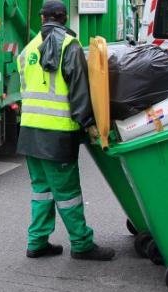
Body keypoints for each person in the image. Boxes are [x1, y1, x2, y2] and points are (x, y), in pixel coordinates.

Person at [16, 1, 114, 261]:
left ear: (42, 18)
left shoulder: (28, 49)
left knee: (41, 191)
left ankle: (37, 242)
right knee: (68, 194)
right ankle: (82, 244)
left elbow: (26, 88)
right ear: (64, 19)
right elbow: (80, 91)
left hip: (29, 132)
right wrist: (90, 125)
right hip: (56, 135)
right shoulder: (69, 47)